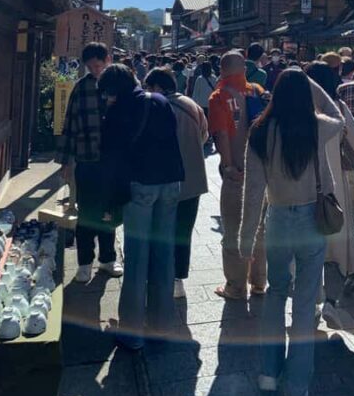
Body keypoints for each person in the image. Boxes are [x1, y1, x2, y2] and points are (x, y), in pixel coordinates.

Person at [240, 69, 342, 396]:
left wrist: (245, 237)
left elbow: (253, 191)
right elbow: (340, 117)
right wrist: (312, 82)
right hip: (311, 219)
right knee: (304, 304)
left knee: (275, 293)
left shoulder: (260, 130)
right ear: (305, 94)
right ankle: (296, 391)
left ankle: (269, 374)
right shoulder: (316, 127)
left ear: (275, 93)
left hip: (278, 220)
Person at [98, 64, 184, 350]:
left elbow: (110, 157)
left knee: (137, 257)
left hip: (141, 186)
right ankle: (162, 325)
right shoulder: (160, 101)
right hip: (171, 183)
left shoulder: (118, 111)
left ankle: (132, 331)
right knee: (163, 252)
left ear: (113, 91)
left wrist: (109, 200)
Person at [58, 42, 122, 283]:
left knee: (108, 213)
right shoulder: (81, 88)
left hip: (111, 162)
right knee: (85, 212)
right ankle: (84, 263)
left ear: (107, 60)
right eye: (91, 66)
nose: (95, 70)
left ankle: (107, 259)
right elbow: (70, 124)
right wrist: (65, 161)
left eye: (99, 64)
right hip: (85, 159)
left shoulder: (119, 87)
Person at [145, 68, 209, 300]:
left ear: (157, 87)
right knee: (183, 231)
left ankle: (158, 275)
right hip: (193, 179)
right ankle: (178, 280)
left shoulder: (154, 106)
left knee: (160, 228)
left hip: (164, 179)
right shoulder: (192, 105)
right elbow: (204, 136)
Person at [209, 51, 267, 300]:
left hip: (237, 172)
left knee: (233, 229)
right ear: (245, 69)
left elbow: (221, 133)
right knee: (259, 228)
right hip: (260, 172)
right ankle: (259, 282)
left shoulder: (219, 96)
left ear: (222, 70)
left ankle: (235, 286)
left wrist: (228, 165)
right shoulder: (257, 91)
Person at [306, 62, 354, 290]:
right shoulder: (337, 106)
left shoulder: (299, 109)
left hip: (304, 177)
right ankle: (342, 266)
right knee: (336, 219)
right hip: (335, 174)